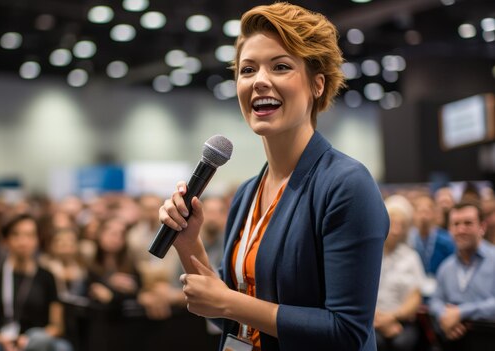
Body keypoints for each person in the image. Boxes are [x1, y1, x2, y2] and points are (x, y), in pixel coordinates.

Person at [158, 3, 389, 350]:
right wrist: (188, 242)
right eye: (247, 70)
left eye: (281, 67)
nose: (260, 81)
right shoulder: (249, 191)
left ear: (317, 84)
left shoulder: (346, 184)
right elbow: (230, 312)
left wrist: (229, 303)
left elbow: (347, 332)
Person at [0, 214, 72, 351]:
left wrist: (29, 340)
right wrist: (0, 340)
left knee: (51, 343)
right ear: (6, 240)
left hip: (36, 339)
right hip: (2, 339)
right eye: (16, 235)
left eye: (29, 235)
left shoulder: (47, 277)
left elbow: (57, 326)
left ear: (37, 240)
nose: (23, 241)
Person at [429, 201, 495, 349]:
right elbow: (435, 301)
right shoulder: (446, 267)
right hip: (453, 340)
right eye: (456, 224)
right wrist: (444, 316)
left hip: (488, 339)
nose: (461, 229)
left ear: (482, 227)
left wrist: (460, 313)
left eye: (468, 223)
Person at [375, 196, 425, 351]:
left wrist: (392, 317)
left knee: (401, 344)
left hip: (401, 320)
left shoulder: (411, 257)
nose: (396, 230)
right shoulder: (370, 253)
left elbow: (415, 297)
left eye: (401, 225)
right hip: (371, 318)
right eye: (393, 223)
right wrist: (376, 320)